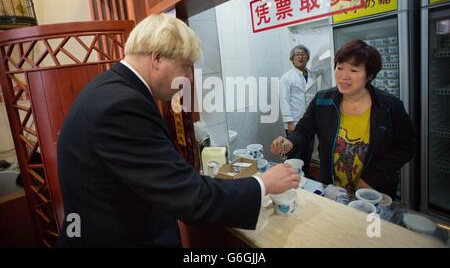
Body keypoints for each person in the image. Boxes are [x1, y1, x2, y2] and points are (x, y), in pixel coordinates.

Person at [57, 13, 300, 247]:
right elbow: (191, 198)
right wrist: (263, 184)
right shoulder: (123, 107)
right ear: (157, 58)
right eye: (185, 67)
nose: (189, 78)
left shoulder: (107, 88)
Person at [271, 39, 415, 198]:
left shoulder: (389, 106)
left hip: (374, 192)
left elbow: (407, 146)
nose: (344, 76)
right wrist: (290, 142)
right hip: (333, 189)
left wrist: (372, 178)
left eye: (354, 70)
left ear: (369, 75)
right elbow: (304, 131)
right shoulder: (322, 100)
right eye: (340, 68)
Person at [279, 45, 317, 175]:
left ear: (307, 58)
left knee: (308, 151)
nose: (301, 56)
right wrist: (289, 122)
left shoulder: (312, 75)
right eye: (297, 54)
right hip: (294, 121)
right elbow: (284, 99)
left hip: (310, 121)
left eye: (304, 54)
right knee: (295, 153)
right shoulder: (287, 77)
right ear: (292, 59)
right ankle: (292, 178)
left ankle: (305, 175)